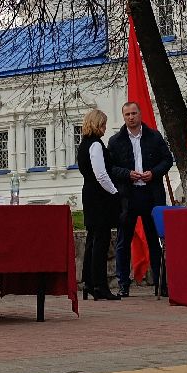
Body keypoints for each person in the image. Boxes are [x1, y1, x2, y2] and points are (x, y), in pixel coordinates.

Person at [106, 101, 172, 297]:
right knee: (123, 241)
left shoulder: (154, 136)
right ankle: (123, 284)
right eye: (127, 114)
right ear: (123, 117)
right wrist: (127, 174)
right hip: (128, 196)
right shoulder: (115, 141)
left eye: (134, 113)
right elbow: (110, 168)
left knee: (155, 241)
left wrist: (154, 173)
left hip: (151, 194)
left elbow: (167, 159)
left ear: (140, 115)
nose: (131, 117)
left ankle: (162, 284)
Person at [76, 108, 120, 301]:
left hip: (90, 193)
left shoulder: (83, 144)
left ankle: (89, 282)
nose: (104, 128)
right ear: (96, 124)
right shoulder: (95, 145)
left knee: (92, 240)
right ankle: (99, 285)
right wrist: (115, 192)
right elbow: (100, 174)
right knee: (100, 242)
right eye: (102, 124)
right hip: (99, 196)